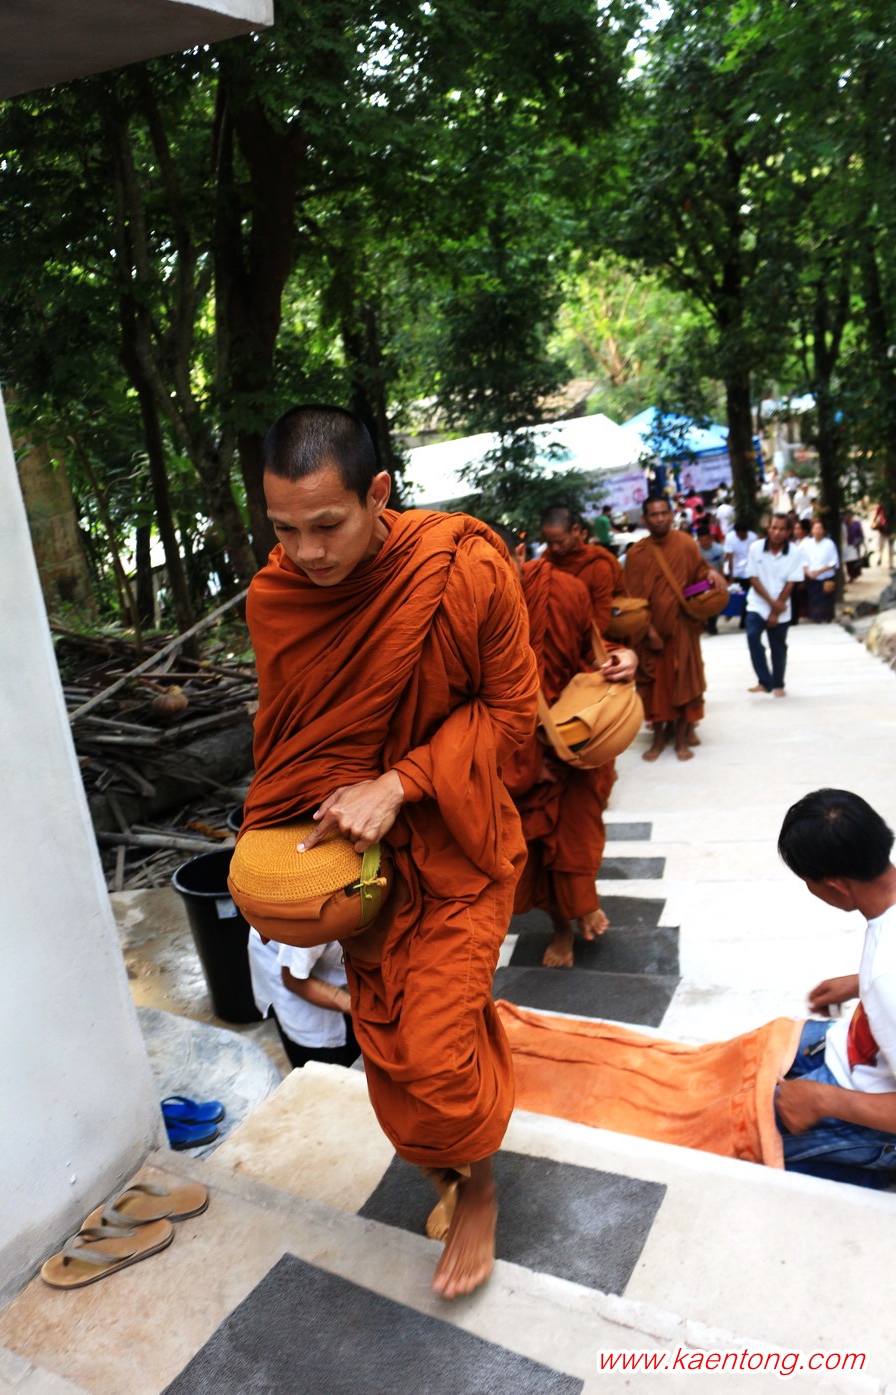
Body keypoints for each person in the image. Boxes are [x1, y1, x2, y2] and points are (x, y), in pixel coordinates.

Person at [240, 404, 539, 1298]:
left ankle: (479, 1187)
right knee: (389, 1043)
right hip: (359, 867)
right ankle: (447, 1164)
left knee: (436, 1046)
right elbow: (289, 738)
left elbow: (512, 711)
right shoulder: (279, 598)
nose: (307, 553)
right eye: (285, 530)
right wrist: (276, 850)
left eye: (326, 525)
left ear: (378, 493)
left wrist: (400, 782)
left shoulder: (462, 568)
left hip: (455, 844)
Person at [494, 524, 638, 967]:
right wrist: (523, 764)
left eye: (499, 563)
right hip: (518, 752)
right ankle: (562, 928)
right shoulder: (470, 606)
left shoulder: (563, 588)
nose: (490, 577)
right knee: (537, 851)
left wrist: (624, 656)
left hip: (572, 737)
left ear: (520, 553)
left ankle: (583, 903)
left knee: (575, 840)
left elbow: (591, 647)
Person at [775, 789, 896, 1187]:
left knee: (729, 1145)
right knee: (735, 1067)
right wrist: (860, 984)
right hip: (856, 1047)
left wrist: (823, 1099)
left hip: (872, 1107)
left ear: (836, 886)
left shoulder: (888, 976)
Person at [623, 496, 726, 762]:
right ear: (644, 519)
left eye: (663, 513)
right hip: (651, 633)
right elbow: (633, 600)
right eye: (653, 515)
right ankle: (658, 740)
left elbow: (699, 572)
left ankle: (681, 739)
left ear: (671, 515)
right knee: (655, 688)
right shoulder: (637, 554)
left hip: (682, 628)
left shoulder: (685, 543)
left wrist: (710, 574)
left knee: (684, 684)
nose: (659, 519)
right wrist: (649, 632)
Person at [248, 932, 360, 1068]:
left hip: (326, 963)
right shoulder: (307, 927)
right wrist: (359, 1007)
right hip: (297, 985)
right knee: (323, 1069)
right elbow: (294, 980)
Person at [540, 504, 626, 636]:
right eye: (549, 543)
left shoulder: (598, 564)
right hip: (555, 637)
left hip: (591, 637)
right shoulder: (546, 562)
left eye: (560, 542)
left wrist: (579, 642)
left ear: (575, 530)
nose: (554, 548)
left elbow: (602, 615)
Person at [745, 514, 803, 698]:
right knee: (752, 636)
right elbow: (753, 578)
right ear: (768, 529)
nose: (777, 532)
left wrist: (776, 611)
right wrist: (771, 604)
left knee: (778, 646)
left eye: (782, 529)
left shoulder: (795, 552)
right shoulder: (755, 548)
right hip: (758, 603)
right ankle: (764, 681)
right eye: (774, 528)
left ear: (788, 532)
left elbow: (791, 582)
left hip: (782, 605)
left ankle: (778, 684)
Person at [800, 515, 839, 622]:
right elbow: (803, 561)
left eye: (820, 528)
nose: (817, 531)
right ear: (811, 530)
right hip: (812, 577)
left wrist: (820, 571)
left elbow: (833, 562)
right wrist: (808, 572)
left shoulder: (829, 544)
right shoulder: (807, 544)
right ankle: (815, 618)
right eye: (815, 528)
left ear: (824, 530)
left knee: (826, 599)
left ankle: (827, 617)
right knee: (814, 599)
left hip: (826, 576)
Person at [842, 510, 865, 583]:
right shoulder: (844, 523)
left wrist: (858, 542)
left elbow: (861, 535)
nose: (848, 517)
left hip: (855, 544)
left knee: (854, 561)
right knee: (848, 562)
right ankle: (850, 575)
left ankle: (854, 575)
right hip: (847, 545)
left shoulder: (857, 523)